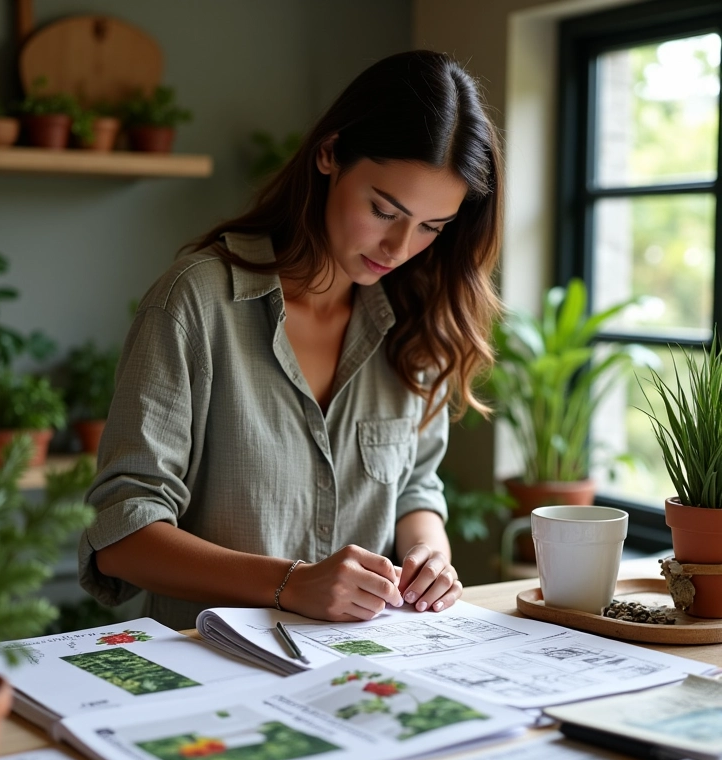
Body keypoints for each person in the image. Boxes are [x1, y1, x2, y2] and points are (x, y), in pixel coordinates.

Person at [79, 49, 504, 631]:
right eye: (384, 210)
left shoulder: (419, 321)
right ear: (330, 153)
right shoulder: (195, 304)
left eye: (432, 227)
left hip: (366, 672)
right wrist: (291, 585)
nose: (399, 248)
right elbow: (122, 534)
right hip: (211, 672)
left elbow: (414, 488)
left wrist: (429, 552)